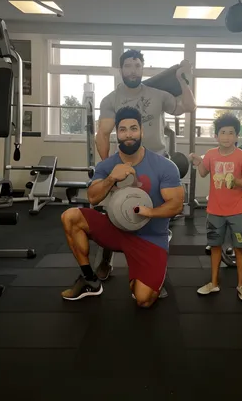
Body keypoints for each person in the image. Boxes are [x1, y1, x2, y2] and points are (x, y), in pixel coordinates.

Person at [60, 106, 185, 307]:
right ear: (116, 134)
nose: (129, 134)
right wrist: (111, 179)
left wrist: (150, 212)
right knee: (70, 216)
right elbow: (92, 198)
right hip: (115, 230)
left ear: (142, 131)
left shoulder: (164, 166)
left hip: (150, 237)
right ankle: (89, 280)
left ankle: (148, 277)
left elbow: (176, 205)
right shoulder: (106, 166)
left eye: (134, 128)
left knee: (143, 300)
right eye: (123, 129)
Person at [94, 49, 196, 288]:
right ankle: (106, 259)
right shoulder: (110, 100)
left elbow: (188, 107)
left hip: (157, 162)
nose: (133, 70)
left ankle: (153, 269)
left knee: (156, 217)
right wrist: (107, 168)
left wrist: (182, 79)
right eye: (128, 66)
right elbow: (103, 134)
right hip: (125, 163)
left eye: (137, 65)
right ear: (121, 70)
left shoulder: (159, 95)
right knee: (113, 213)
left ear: (142, 68)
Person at [189, 113, 242, 301]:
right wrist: (197, 161)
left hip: (238, 210)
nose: (227, 137)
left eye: (231, 133)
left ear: (236, 136)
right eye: (223, 133)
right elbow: (203, 173)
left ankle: (241, 286)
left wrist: (236, 181)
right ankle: (213, 283)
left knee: (240, 248)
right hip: (215, 210)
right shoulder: (211, 155)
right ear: (216, 135)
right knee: (215, 246)